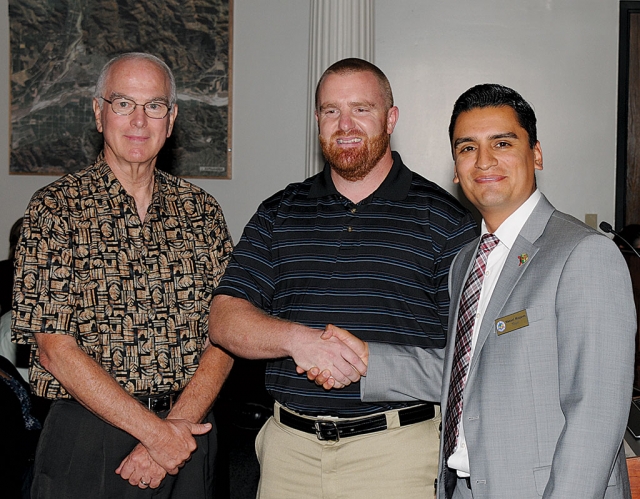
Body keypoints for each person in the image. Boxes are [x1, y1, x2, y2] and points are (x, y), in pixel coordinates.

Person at [318, 83, 635, 498]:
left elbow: (596, 413)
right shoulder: (466, 260)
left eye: (502, 143)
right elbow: (468, 374)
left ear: (536, 153)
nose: (484, 161)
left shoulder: (584, 254)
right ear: (455, 166)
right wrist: (367, 360)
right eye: (467, 148)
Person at [208, 57, 478, 499]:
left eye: (361, 109)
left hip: (397, 456)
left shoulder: (446, 221)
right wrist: (301, 340)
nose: (345, 124)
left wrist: (365, 362)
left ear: (390, 118)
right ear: (317, 120)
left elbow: (467, 361)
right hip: (287, 455)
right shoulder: (279, 212)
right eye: (331, 111)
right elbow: (224, 319)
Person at [11, 52, 234, 498]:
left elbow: (227, 331)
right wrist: (155, 434)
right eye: (122, 103)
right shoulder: (54, 209)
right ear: (98, 112)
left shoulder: (202, 211)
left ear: (170, 120)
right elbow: (54, 350)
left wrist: (175, 428)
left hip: (187, 432)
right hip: (87, 436)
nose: (138, 120)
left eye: (153, 105)